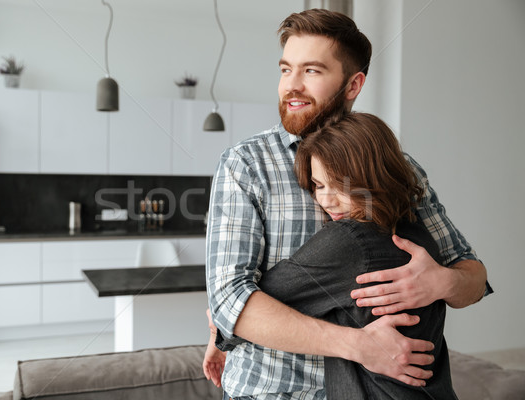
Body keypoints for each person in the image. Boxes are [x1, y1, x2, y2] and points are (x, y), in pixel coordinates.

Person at [206, 9, 489, 400]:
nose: (292, 85)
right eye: (286, 69)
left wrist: (443, 281)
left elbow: (472, 276)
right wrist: (358, 345)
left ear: (353, 84)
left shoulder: (401, 169)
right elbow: (229, 301)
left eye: (312, 71)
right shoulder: (247, 164)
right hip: (271, 392)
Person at [212, 111, 459, 399]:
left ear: (371, 176)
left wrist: (214, 318)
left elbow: (242, 309)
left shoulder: (348, 240)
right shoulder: (419, 235)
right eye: (318, 186)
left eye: (340, 184)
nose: (326, 200)